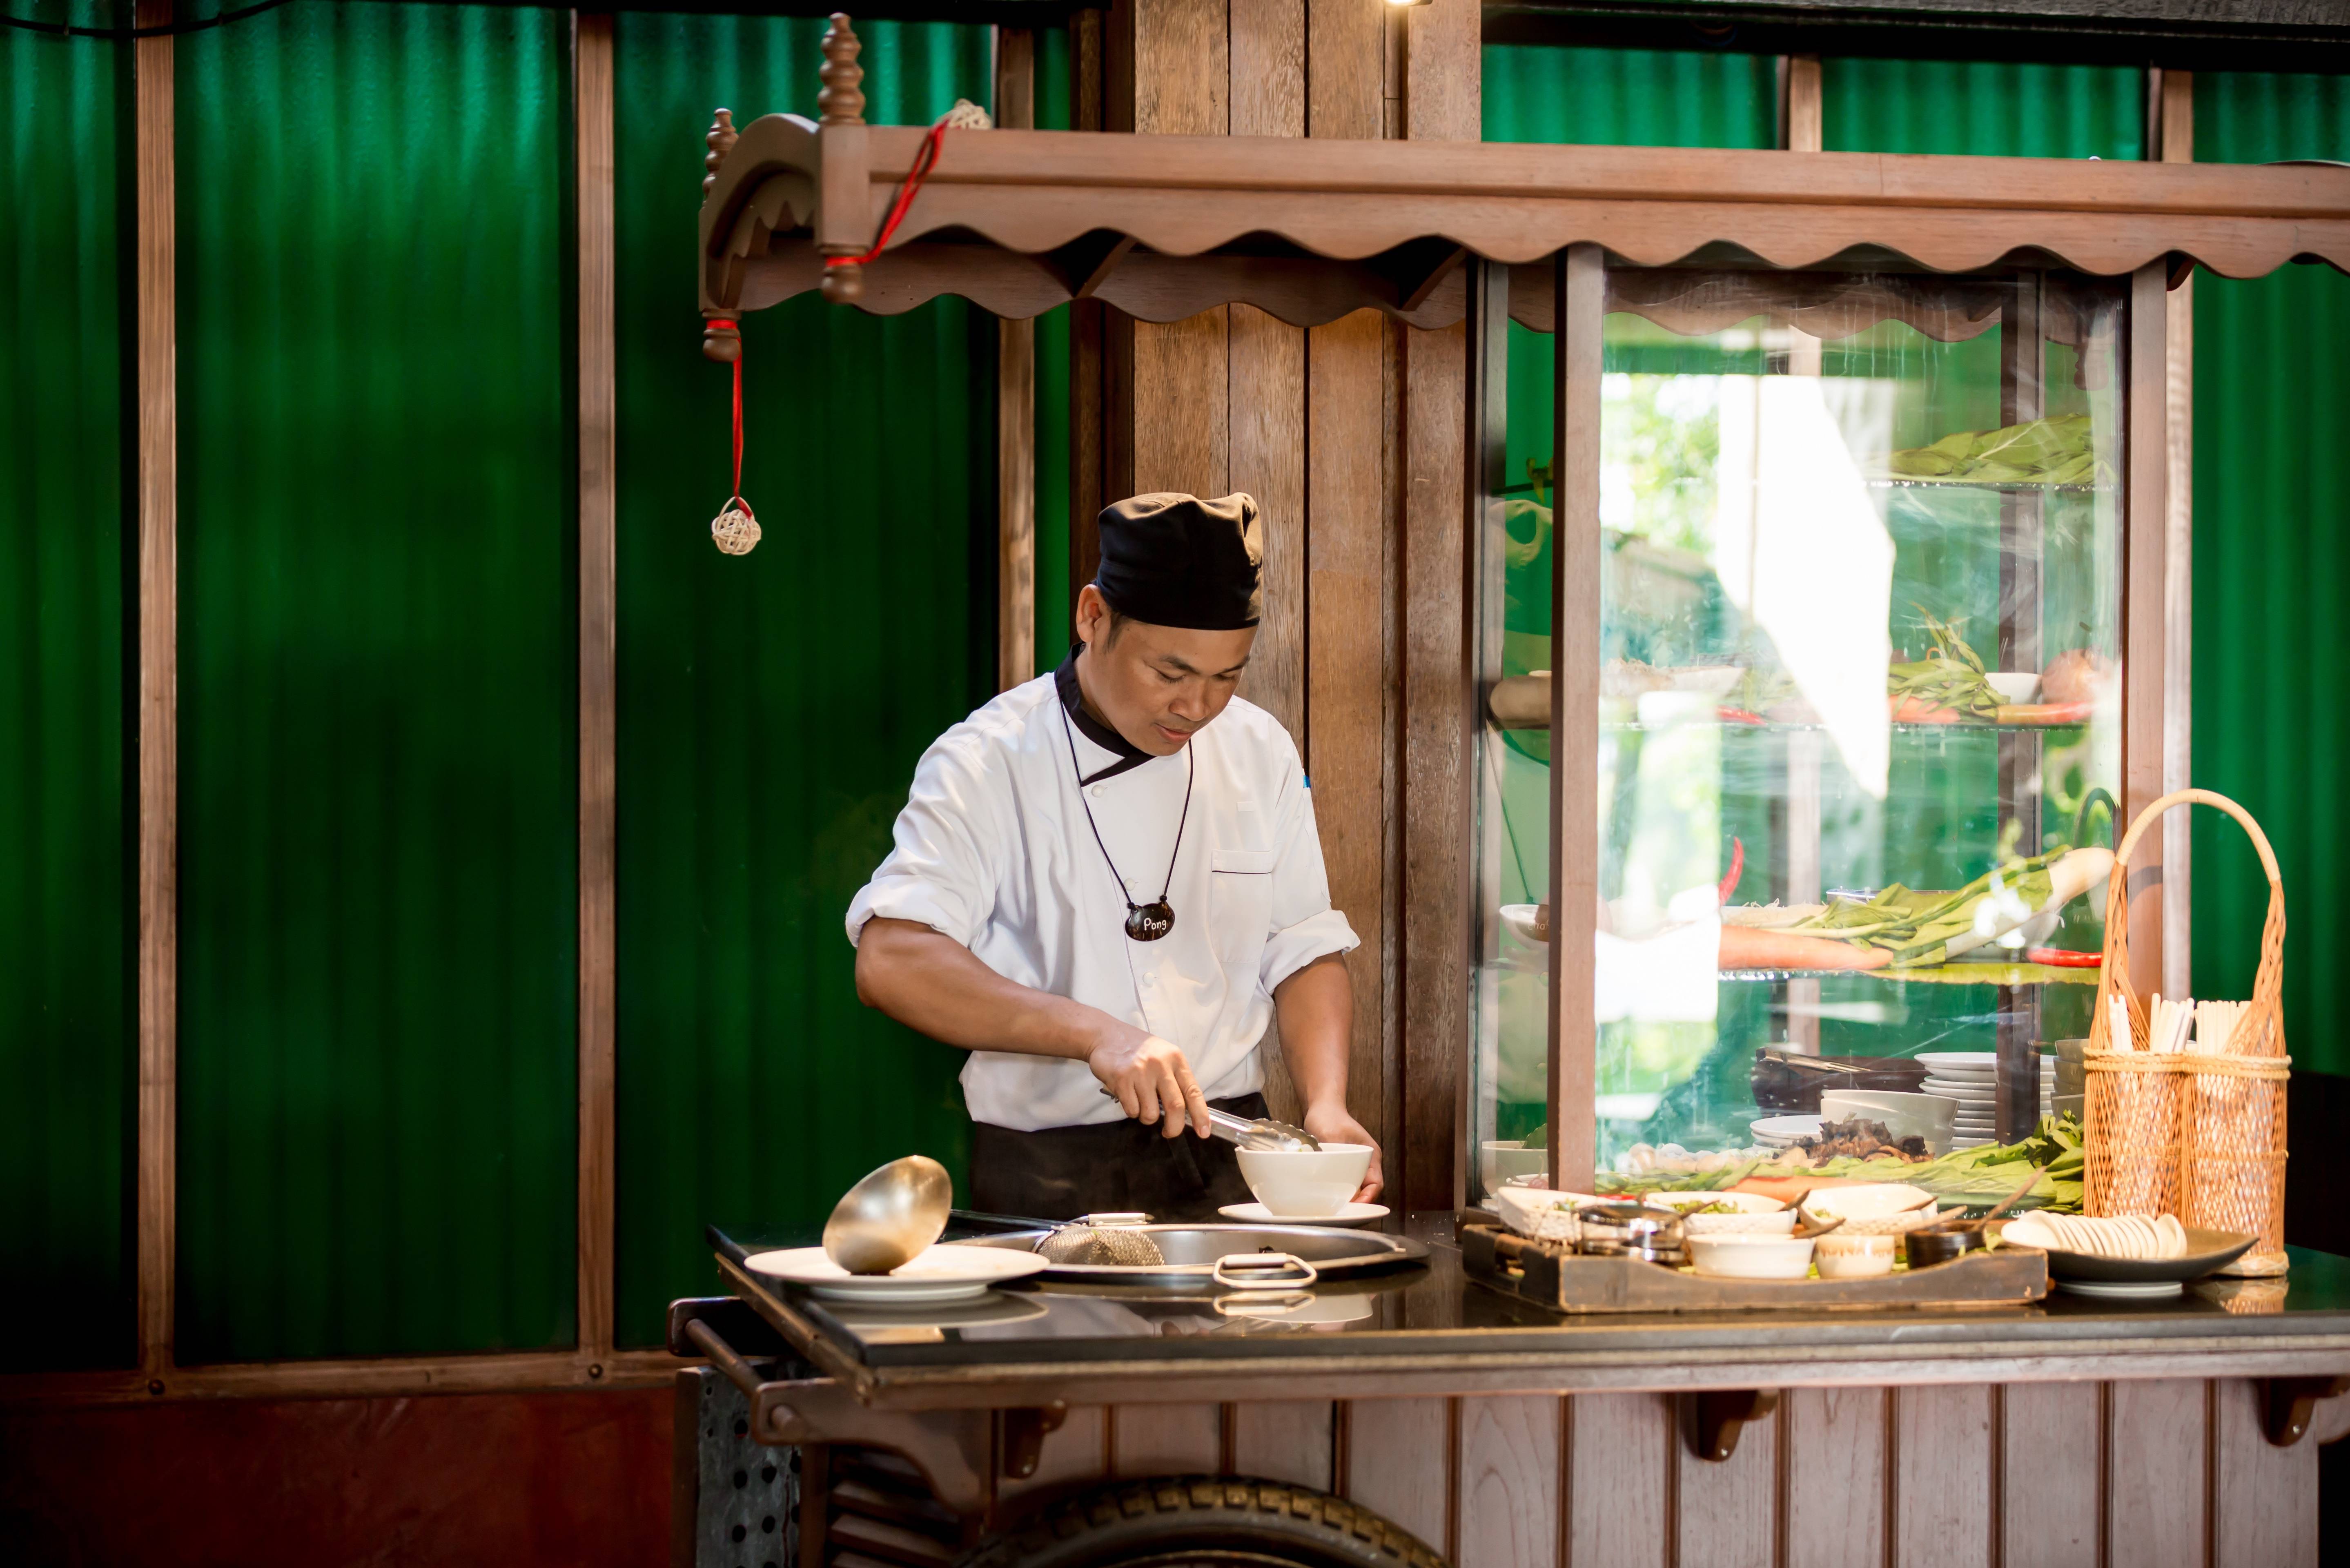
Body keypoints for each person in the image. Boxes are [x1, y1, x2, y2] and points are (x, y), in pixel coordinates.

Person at [847, 492, 1381, 1221]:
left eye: (1227, 677)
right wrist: (1098, 1035)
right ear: (1092, 617)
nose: (1197, 707)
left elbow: (1302, 947)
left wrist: (1326, 1107)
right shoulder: (988, 760)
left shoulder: (1259, 750)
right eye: (1170, 674)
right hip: (1052, 1168)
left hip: (1233, 1156)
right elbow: (891, 960)